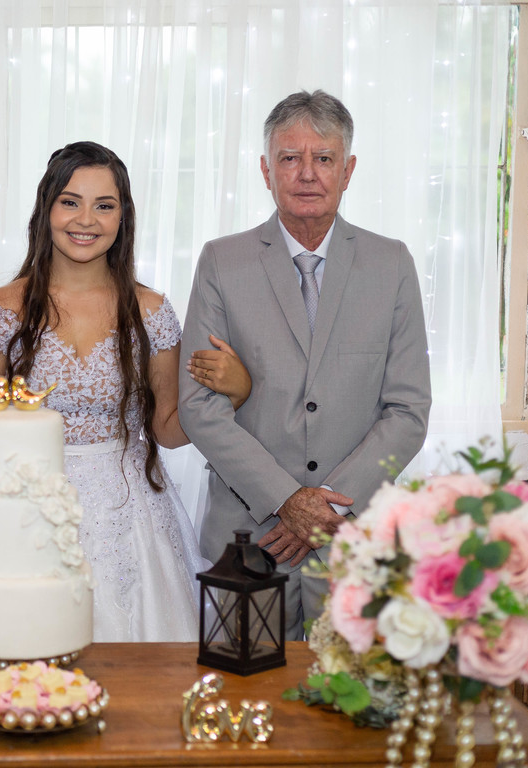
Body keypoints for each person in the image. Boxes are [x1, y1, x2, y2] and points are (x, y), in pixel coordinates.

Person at [0, 141, 251, 642]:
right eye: (70, 202)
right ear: (46, 209)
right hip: (30, 511)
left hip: (131, 512)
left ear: (123, 217)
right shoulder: (0, 310)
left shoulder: (151, 311)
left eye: (104, 205)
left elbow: (168, 430)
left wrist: (233, 395)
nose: (86, 220)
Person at [178, 90, 432, 641]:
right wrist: (286, 500)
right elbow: (199, 407)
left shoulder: (391, 263)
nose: (308, 173)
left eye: (324, 158)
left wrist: (324, 511)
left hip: (354, 543)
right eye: (290, 158)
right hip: (248, 538)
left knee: (349, 693)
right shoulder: (222, 261)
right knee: (244, 690)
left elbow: (408, 410)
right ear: (266, 170)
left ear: (349, 170)